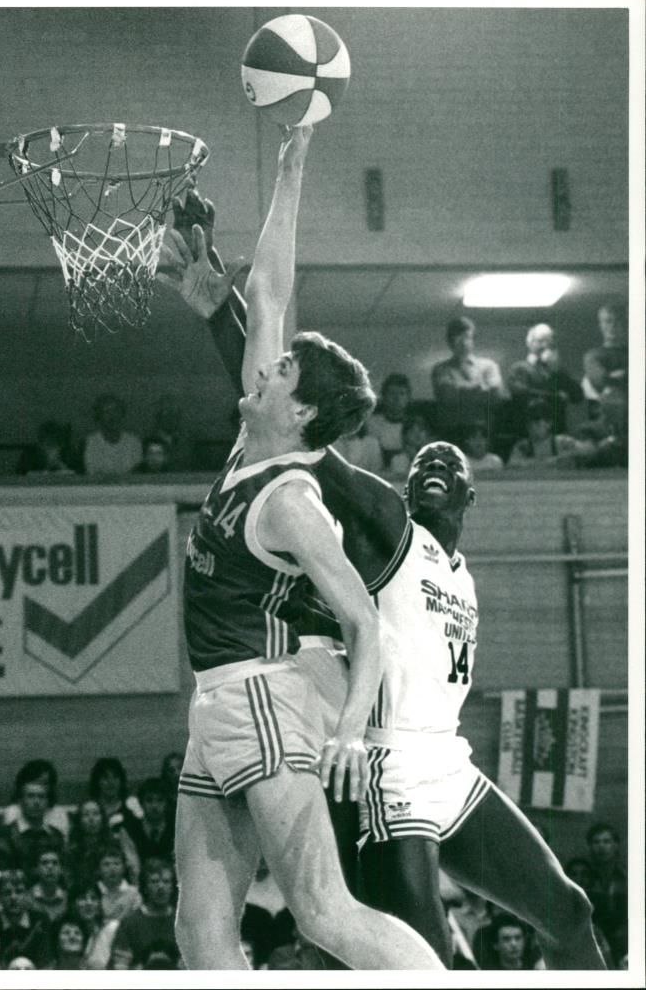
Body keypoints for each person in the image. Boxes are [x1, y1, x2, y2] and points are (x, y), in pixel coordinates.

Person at [162, 172, 605, 970]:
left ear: (471, 496)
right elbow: (270, 352)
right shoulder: (381, 522)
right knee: (276, 927)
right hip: (372, 750)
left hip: (435, 754)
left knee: (559, 909)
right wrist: (291, 160)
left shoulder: (458, 573)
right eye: (423, 458)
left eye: (451, 461)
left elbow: (282, 397)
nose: (434, 459)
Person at [164, 127, 441, 971]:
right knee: (199, 928)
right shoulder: (252, 449)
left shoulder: (289, 499)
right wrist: (290, 163)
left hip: (264, 691)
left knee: (322, 912)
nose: (262, 371)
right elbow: (270, 288)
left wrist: (351, 734)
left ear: (301, 413)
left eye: (279, 373)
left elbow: (369, 625)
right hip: (222, 698)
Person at [431, 316, 505, 436]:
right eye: (457, 337)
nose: (463, 342)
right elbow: (447, 396)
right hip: (452, 434)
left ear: (473, 340)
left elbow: (496, 395)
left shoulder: (489, 366)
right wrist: (480, 388)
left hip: (483, 434)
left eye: (467, 337)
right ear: (450, 342)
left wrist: (459, 390)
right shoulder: (440, 369)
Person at [507, 323, 583, 436]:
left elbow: (578, 396)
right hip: (528, 432)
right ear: (530, 343)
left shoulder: (557, 371)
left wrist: (557, 371)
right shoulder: (519, 368)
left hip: (557, 431)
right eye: (540, 341)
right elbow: (522, 395)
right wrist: (557, 396)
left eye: (549, 341)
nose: (545, 345)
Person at [109, 857, 178, 970]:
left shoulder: (183, 924)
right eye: (154, 881)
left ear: (172, 887)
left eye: (166, 881)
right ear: (145, 887)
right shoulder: (129, 924)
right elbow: (120, 968)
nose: (161, 887)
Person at [0, 777, 65, 878]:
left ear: (47, 802)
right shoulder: (6, 834)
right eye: (30, 796)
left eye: (41, 797)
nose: (36, 802)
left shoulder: (55, 835)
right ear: (20, 801)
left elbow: (62, 871)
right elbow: (4, 873)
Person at [585, 822, 627, 965]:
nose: (601, 846)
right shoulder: (583, 877)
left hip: (623, 945)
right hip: (591, 943)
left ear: (616, 845)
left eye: (606, 841)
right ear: (589, 847)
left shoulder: (628, 878)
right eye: (596, 842)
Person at [0, 868, 54, 969]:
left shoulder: (41, 921)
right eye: (7, 893)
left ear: (27, 895)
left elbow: (46, 961)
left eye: (19, 892)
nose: (13, 897)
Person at [1, 758, 71, 840]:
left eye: (44, 783)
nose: (39, 787)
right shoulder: (13, 811)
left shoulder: (59, 813)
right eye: (35, 782)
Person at [507, 400, 583, 468]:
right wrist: (547, 463)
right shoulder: (523, 447)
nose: (531, 426)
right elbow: (512, 465)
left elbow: (589, 449)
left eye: (536, 421)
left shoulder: (562, 442)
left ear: (549, 423)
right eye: (529, 422)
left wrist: (568, 456)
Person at [83, 394, 142, 476]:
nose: (112, 416)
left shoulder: (134, 442)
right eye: (107, 412)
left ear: (122, 414)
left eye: (116, 411)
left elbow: (138, 471)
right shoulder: (91, 441)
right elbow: (91, 472)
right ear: (99, 416)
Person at [68, 879, 120, 969]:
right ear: (73, 904)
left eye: (94, 898)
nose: (89, 903)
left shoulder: (112, 929)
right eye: (82, 898)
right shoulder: (67, 933)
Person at [365, 373, 412, 466]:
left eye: (402, 393)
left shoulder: (414, 424)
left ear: (408, 398)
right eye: (392, 393)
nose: (396, 399)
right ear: (383, 397)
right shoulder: (371, 423)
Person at [123, 778, 175, 861]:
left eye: (160, 800)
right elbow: (132, 865)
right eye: (149, 800)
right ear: (141, 803)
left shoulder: (176, 829)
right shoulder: (130, 830)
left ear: (167, 803)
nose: (154, 806)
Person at [65, 798, 112, 884]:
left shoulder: (113, 846)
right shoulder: (71, 850)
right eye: (86, 814)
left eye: (96, 814)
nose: (91, 819)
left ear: (103, 818)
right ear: (79, 820)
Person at [95, 842, 142, 923]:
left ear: (124, 867)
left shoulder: (134, 894)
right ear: (99, 869)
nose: (112, 869)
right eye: (106, 864)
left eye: (117, 864)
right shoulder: (94, 891)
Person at [30, 847, 68, 922]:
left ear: (61, 869)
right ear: (36, 869)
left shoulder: (68, 899)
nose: (50, 867)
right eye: (44, 863)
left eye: (55, 863)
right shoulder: (27, 898)